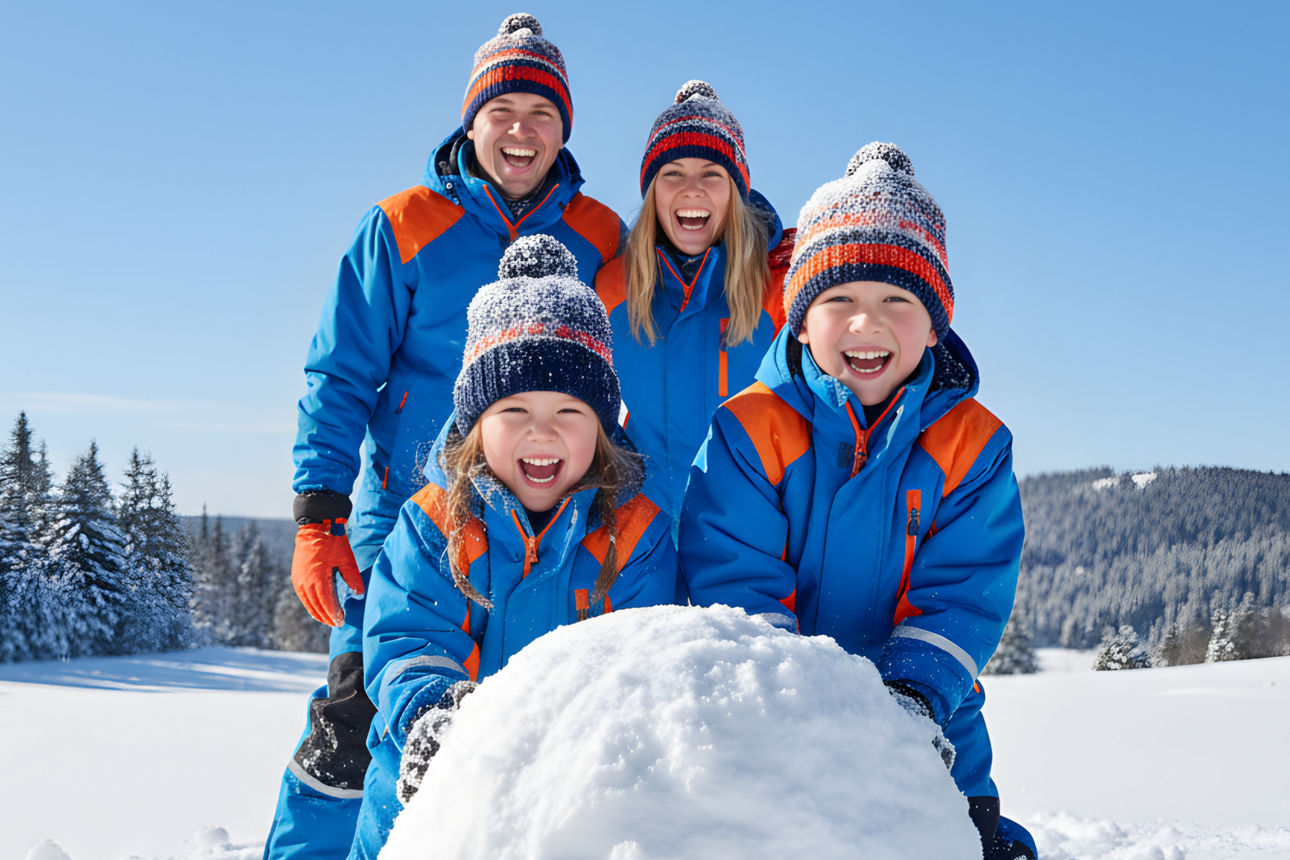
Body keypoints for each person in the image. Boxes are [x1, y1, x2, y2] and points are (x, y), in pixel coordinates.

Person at [267, 14, 624, 859]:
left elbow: (688, 275)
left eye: (542, 113)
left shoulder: (604, 234)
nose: (521, 130)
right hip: (405, 515)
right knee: (358, 718)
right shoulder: (400, 225)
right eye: (503, 110)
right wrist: (318, 515)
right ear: (472, 122)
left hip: (552, 517)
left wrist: (763, 241)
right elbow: (339, 373)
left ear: (563, 130)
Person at [678, 143, 1038, 859]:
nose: (865, 324)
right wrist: (800, 706)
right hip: (780, 722)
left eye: (895, 302)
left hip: (934, 731)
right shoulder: (750, 430)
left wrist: (913, 702)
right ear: (799, 320)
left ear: (935, 325)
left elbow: (964, 593)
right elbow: (733, 577)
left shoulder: (972, 444)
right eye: (838, 300)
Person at [349, 235, 681, 857]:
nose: (542, 432)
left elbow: (640, 662)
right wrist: (434, 722)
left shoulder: (635, 535)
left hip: (567, 805)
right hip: (426, 802)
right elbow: (408, 638)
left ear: (604, 429)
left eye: (570, 412)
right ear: (477, 421)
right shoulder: (434, 525)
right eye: (515, 409)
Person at [595, 81, 793, 530]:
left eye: (711, 173)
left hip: (749, 535)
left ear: (736, 191)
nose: (692, 189)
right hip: (640, 538)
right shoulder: (613, 288)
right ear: (652, 191)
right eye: (673, 173)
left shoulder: (778, 289)